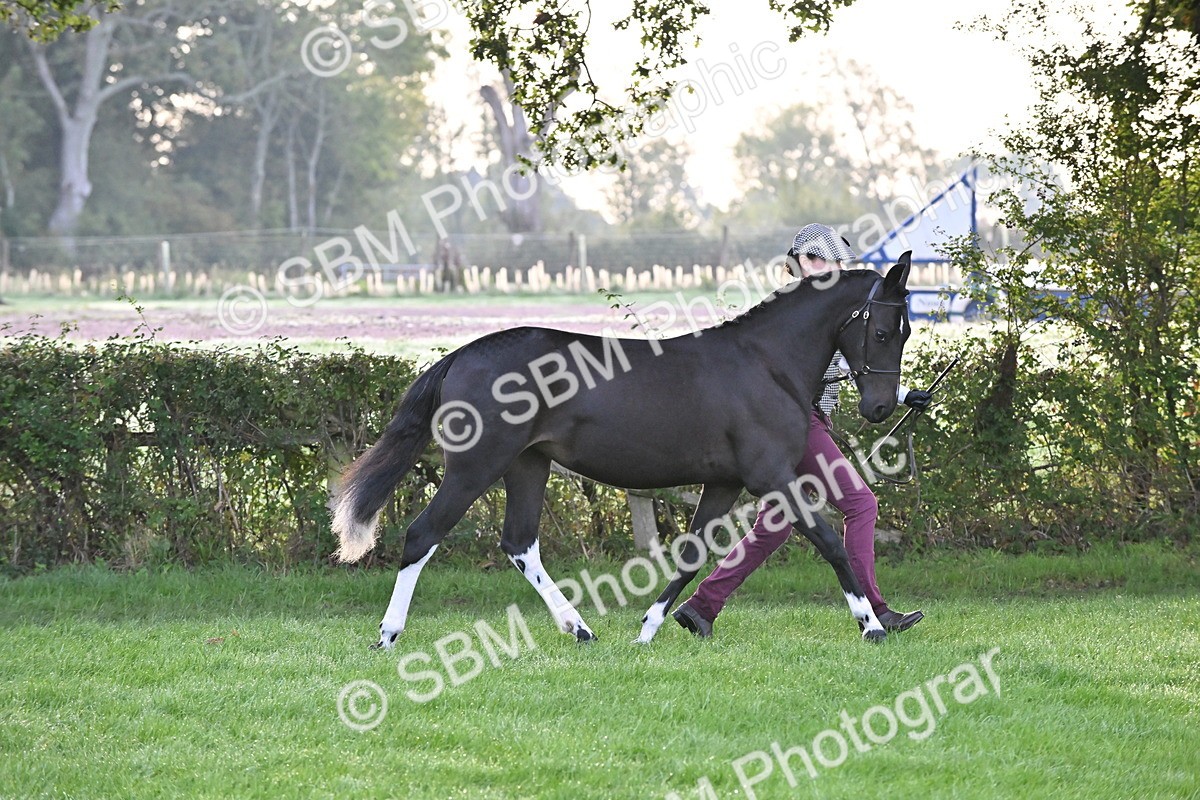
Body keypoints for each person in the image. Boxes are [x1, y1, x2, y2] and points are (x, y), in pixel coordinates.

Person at [673, 223, 931, 638]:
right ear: (808, 261)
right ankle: (875, 610)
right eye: (830, 261)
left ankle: (702, 606)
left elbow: (852, 360)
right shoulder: (789, 308)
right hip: (797, 426)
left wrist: (902, 394)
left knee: (773, 527)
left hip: (801, 424)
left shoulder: (824, 307)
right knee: (860, 504)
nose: (838, 270)